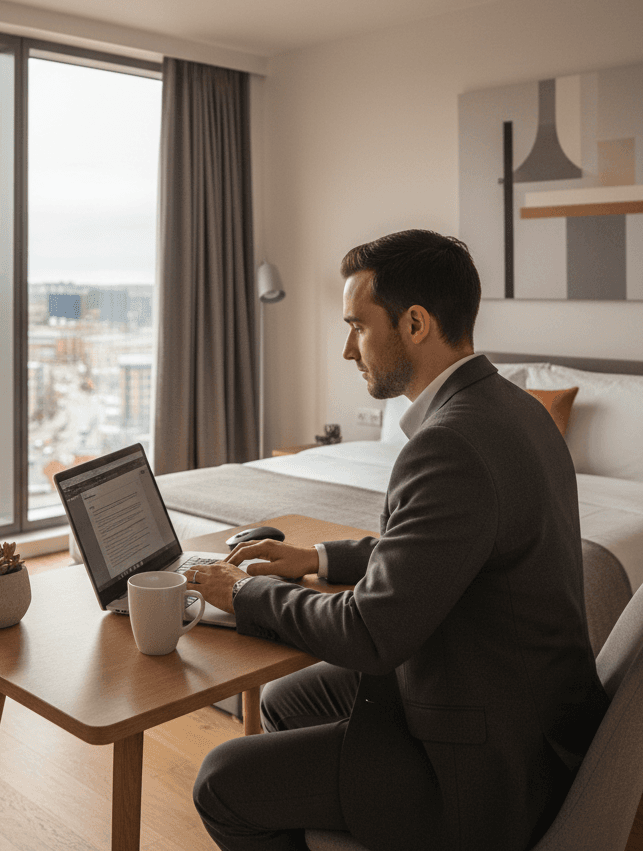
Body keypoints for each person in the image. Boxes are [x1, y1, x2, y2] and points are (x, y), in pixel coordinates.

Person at [184, 229, 609, 851]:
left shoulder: (451, 443)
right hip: (523, 707)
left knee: (220, 781)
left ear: (415, 323)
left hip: (483, 761)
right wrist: (318, 557)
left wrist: (241, 592)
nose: (348, 351)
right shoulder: (514, 409)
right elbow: (442, 550)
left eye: (357, 326)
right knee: (285, 697)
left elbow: (370, 632)